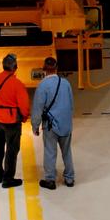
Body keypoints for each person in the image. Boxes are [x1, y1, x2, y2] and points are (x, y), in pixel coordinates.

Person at [0, 53, 30, 188]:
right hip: (11, 121)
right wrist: (24, 117)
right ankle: (8, 179)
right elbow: (24, 105)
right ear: (15, 67)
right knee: (12, 149)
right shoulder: (17, 84)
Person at [31, 57, 74, 189]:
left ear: (44, 69)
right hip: (66, 124)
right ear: (56, 68)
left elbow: (38, 107)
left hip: (50, 126)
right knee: (67, 151)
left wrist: (35, 125)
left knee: (50, 151)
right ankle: (69, 179)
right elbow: (71, 104)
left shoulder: (43, 86)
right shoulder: (66, 83)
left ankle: (50, 180)